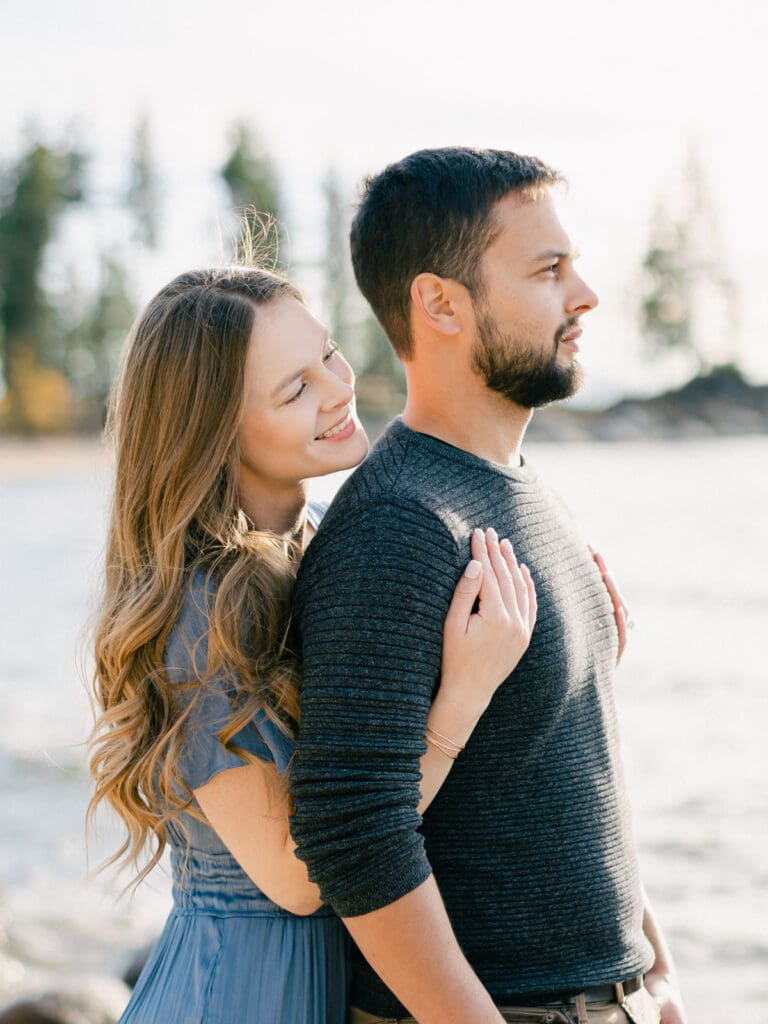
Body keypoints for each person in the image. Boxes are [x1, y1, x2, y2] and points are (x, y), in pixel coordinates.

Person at [289, 148, 689, 1024]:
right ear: (440, 303)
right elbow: (351, 831)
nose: (584, 295)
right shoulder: (399, 523)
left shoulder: (523, 491)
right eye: (549, 270)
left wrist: (652, 969)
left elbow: (567, 768)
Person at [87, 265, 539, 1024]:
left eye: (327, 355)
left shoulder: (327, 541)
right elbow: (299, 877)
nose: (338, 389)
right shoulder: (198, 611)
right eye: (294, 390)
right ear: (213, 438)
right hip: (236, 993)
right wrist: (462, 698)